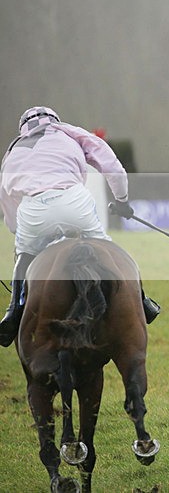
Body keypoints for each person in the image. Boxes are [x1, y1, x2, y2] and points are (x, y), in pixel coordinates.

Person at [0, 106, 160, 347]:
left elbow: (7, 199)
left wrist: (17, 232)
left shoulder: (12, 151)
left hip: (33, 210)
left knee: (24, 257)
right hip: (73, 201)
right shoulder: (70, 132)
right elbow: (112, 166)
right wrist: (122, 201)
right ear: (54, 120)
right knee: (110, 252)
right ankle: (142, 301)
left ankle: (13, 314)